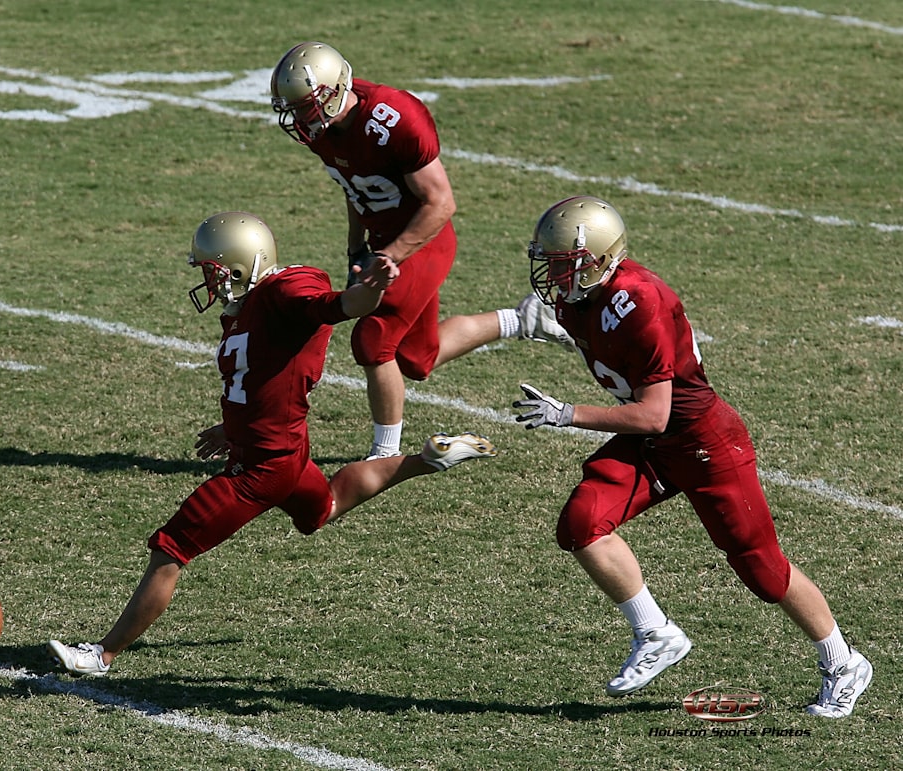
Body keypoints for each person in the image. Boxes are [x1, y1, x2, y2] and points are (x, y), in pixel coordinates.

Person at [47, 211, 496, 676]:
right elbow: (265, 374)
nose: (208, 279)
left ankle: (101, 654)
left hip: (260, 468)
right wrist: (234, 426)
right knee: (323, 509)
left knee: (171, 548)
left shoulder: (285, 291)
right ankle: (428, 459)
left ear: (241, 265)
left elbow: (339, 306)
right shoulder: (252, 304)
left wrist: (372, 289)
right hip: (284, 450)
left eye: (213, 269)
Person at [511, 195, 872, 718]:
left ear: (597, 259)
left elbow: (654, 414)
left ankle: (844, 662)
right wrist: (512, 322)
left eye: (564, 263)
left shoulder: (642, 302)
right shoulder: (575, 299)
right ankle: (656, 633)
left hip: (701, 439)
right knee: (582, 522)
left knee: (762, 569)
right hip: (657, 444)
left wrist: (567, 413)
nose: (553, 274)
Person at [270, 41, 564, 460]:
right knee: (416, 359)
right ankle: (523, 319)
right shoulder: (323, 130)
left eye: (304, 106)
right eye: (293, 107)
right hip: (383, 241)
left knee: (372, 342)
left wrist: (390, 254)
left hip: (422, 240)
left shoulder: (393, 118)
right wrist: (357, 244)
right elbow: (356, 188)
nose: (298, 117)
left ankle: (384, 454)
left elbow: (441, 203)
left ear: (334, 93)